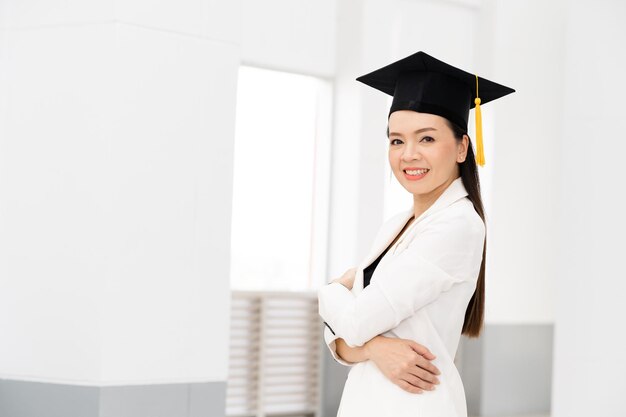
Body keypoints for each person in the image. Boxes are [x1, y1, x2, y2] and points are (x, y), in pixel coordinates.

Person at [317, 51, 514, 417]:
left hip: (414, 404)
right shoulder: (396, 224)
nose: (409, 154)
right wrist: (374, 349)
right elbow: (342, 339)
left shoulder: (458, 226)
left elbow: (354, 322)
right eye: (396, 141)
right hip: (367, 400)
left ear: (461, 147)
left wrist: (329, 290)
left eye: (426, 139)